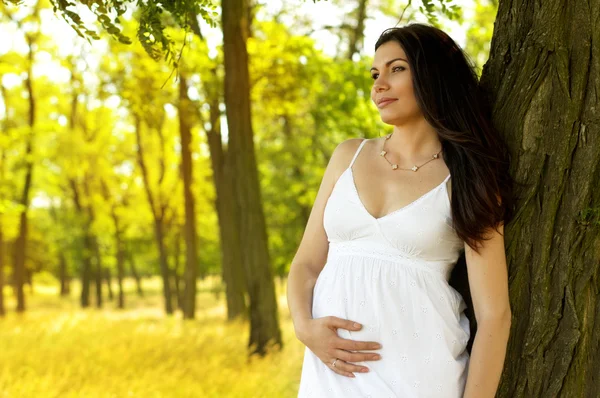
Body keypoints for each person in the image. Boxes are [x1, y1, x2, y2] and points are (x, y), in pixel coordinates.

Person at [287, 23, 515, 398]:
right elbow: (306, 265)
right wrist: (303, 327)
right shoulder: (348, 155)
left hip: (422, 379)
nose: (379, 85)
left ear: (433, 76)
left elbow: (494, 316)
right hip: (332, 377)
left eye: (397, 69)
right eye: (376, 73)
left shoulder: (470, 178)